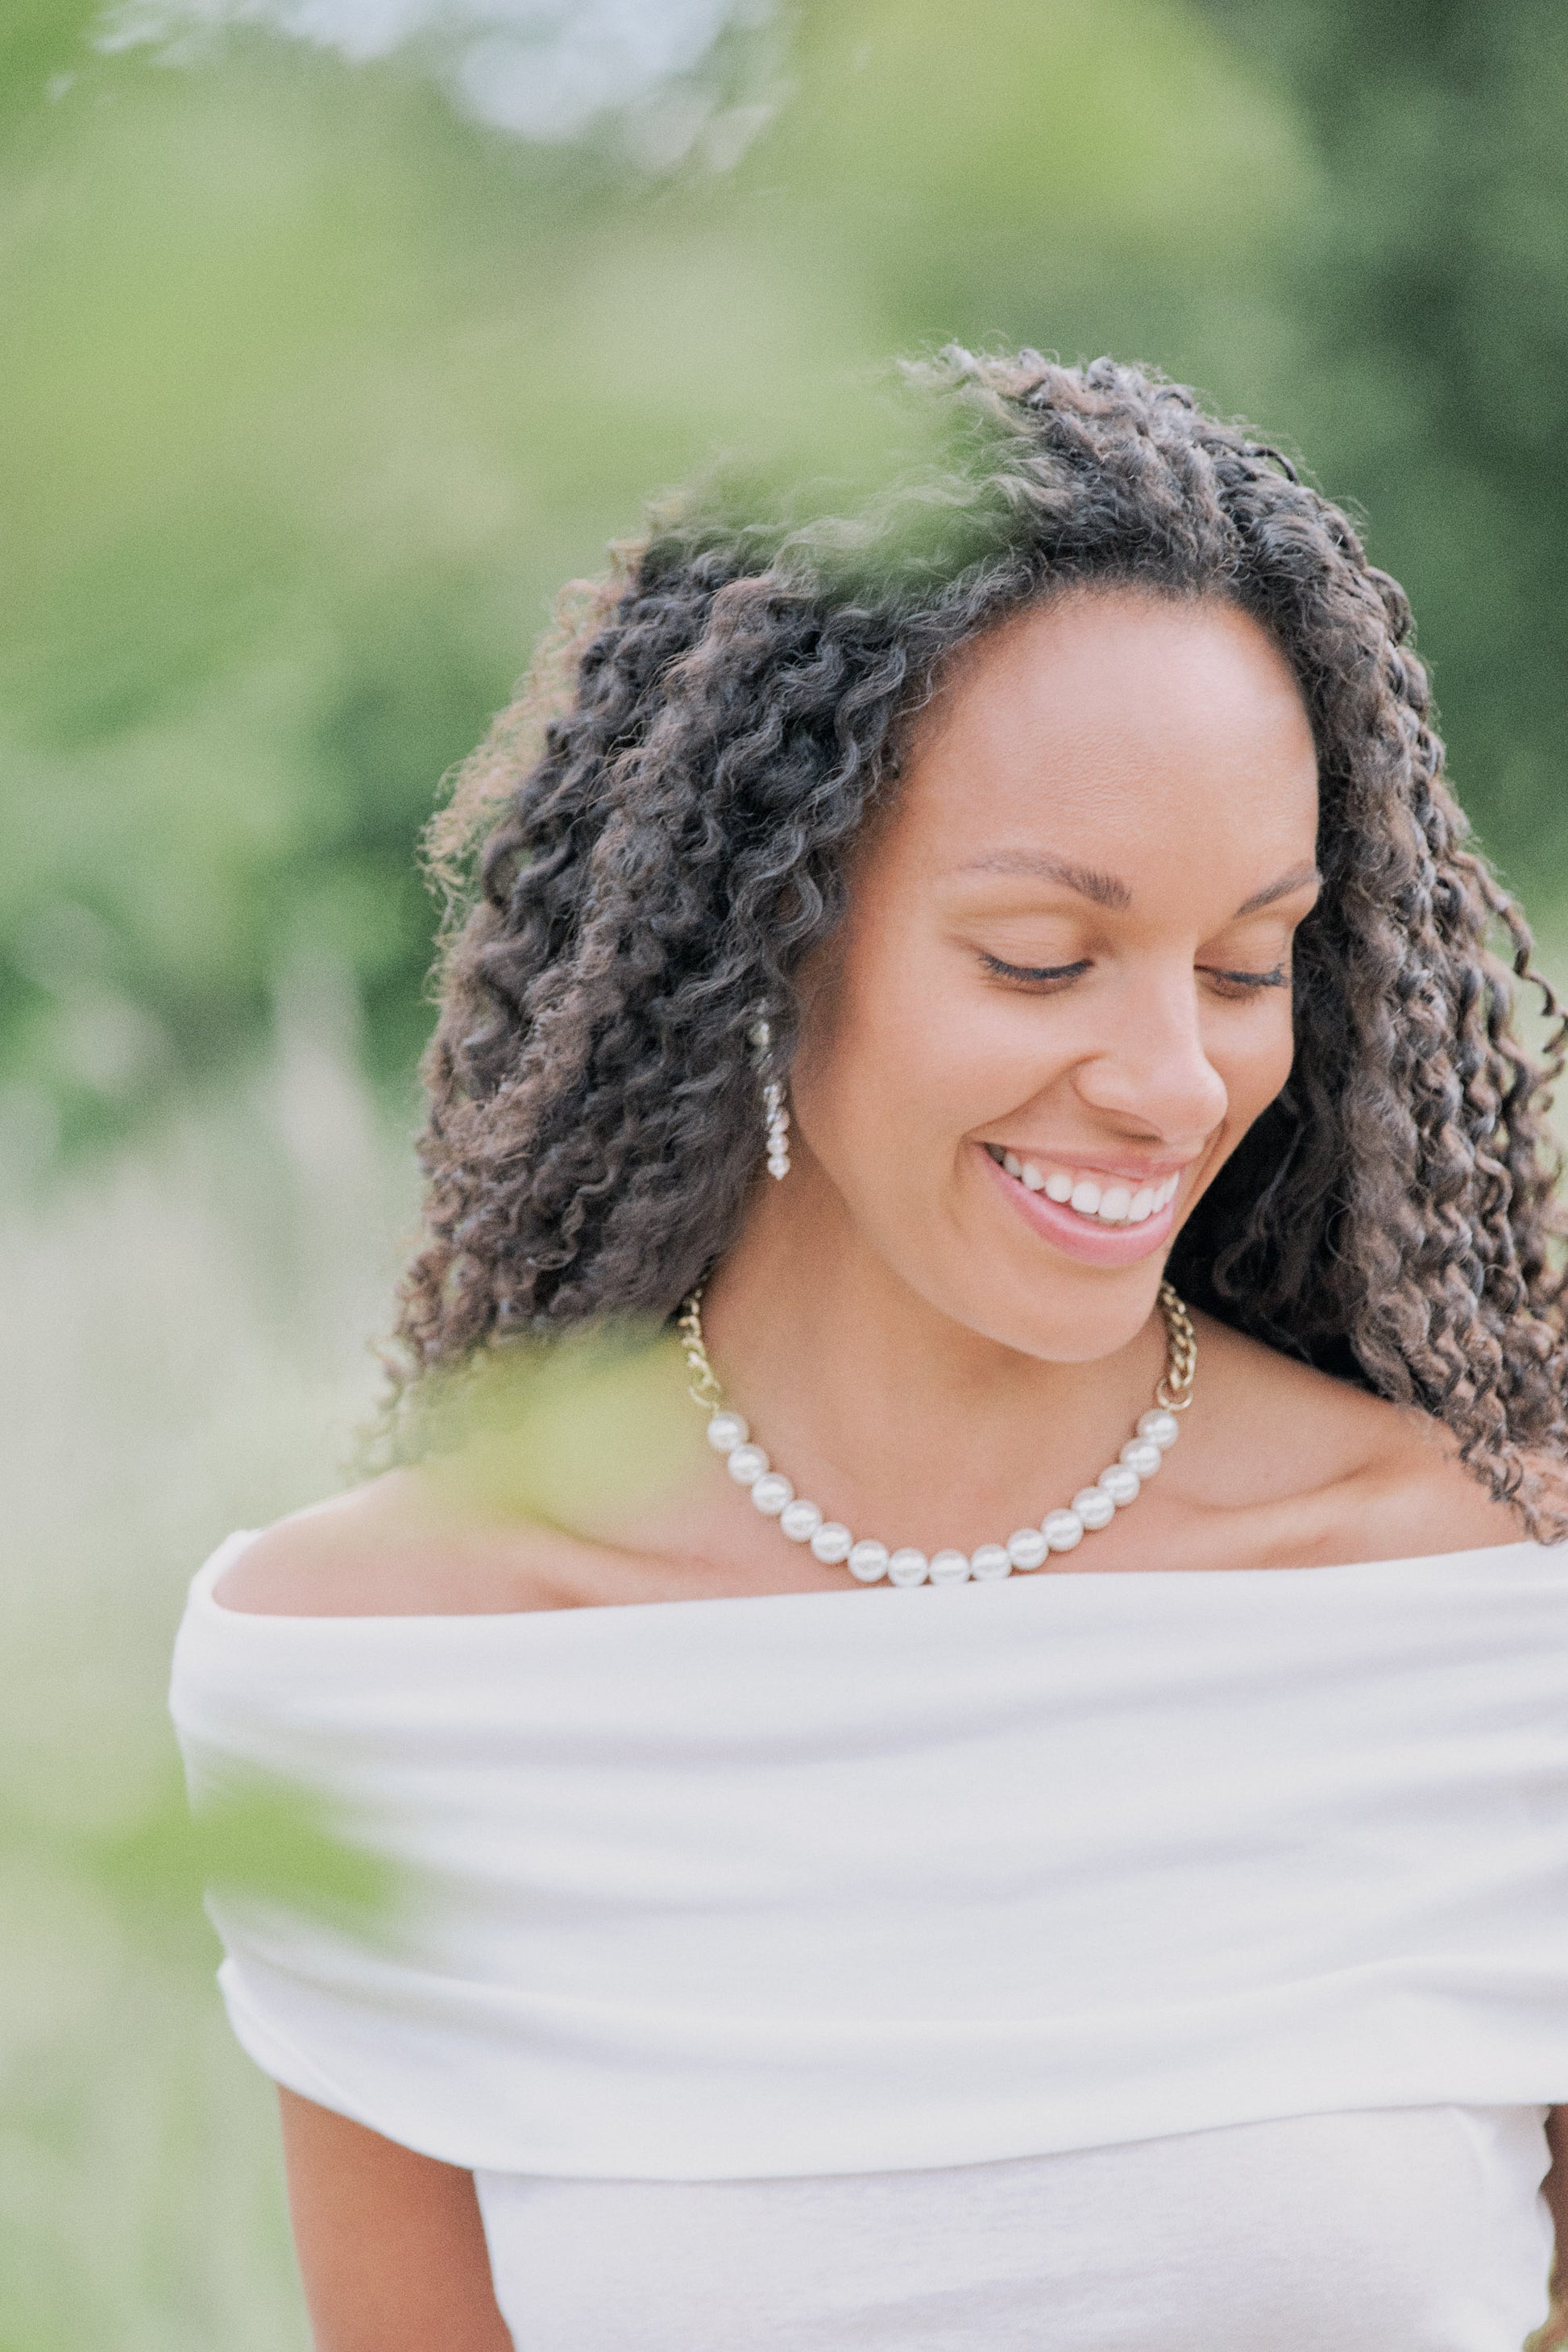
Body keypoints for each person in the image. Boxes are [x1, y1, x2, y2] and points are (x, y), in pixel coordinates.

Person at [170, 352, 1568, 2351]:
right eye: (1040, 958)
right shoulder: (381, 1668)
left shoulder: (1500, 1604)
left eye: (1248, 961)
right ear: (765, 935)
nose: (1175, 1076)